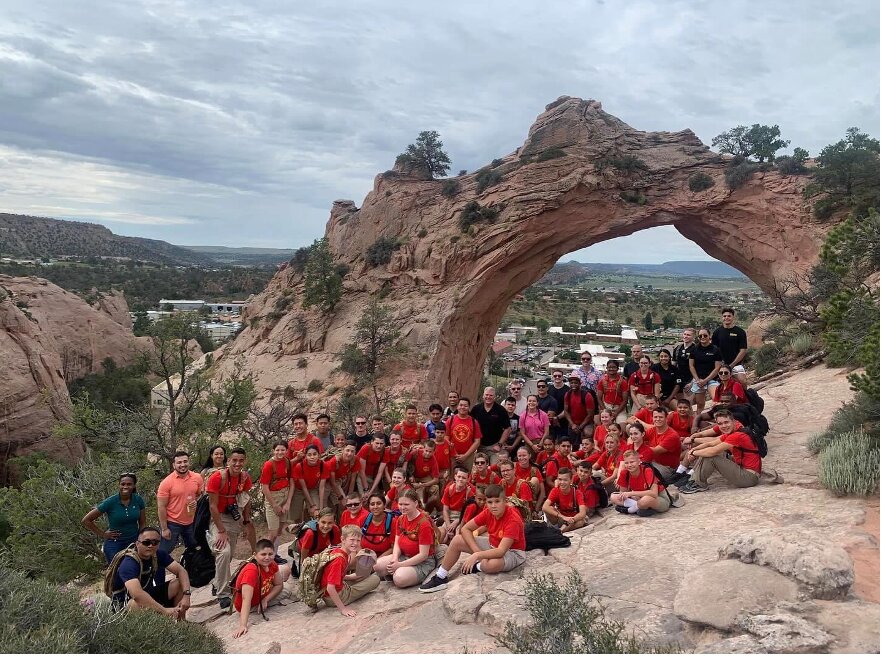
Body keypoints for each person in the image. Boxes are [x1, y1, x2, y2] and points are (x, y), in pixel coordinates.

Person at [419, 484, 526, 592]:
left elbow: (501, 551)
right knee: (457, 540)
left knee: (490, 564)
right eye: (489, 502)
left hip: (513, 552)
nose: (493, 505)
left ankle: (477, 567)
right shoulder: (488, 512)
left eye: (497, 501)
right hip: (492, 544)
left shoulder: (513, 520)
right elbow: (465, 529)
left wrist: (477, 555)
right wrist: (476, 551)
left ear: (505, 501)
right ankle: (440, 577)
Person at [206, 447, 254, 609]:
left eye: (241, 460)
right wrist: (220, 531)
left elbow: (246, 500)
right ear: (228, 461)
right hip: (218, 518)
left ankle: (217, 582)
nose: (237, 464)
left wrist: (246, 522)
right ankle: (223, 593)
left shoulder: (244, 478)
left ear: (244, 461)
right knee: (224, 552)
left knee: (230, 554)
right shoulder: (216, 478)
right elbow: (212, 506)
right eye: (234, 460)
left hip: (234, 517)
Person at [109, 526, 191, 618]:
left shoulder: (158, 554)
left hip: (147, 595)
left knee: (179, 583)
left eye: (155, 542)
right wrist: (164, 611)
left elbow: (181, 571)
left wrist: (186, 595)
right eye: (146, 542)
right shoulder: (129, 564)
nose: (150, 545)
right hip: (125, 606)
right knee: (134, 603)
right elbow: (137, 595)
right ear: (137, 544)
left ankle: (181, 623)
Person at [679, 409, 762, 494]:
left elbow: (712, 451)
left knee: (711, 457)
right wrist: (693, 449)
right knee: (711, 453)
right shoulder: (733, 431)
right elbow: (711, 443)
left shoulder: (737, 435)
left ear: (733, 421)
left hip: (749, 478)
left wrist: (693, 453)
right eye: (720, 424)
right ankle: (693, 479)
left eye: (726, 422)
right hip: (744, 469)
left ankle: (698, 483)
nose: (724, 426)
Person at [373, 489, 437, 588]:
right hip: (404, 556)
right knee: (377, 566)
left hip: (423, 562)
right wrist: (395, 559)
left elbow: (423, 555)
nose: (402, 508)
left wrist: (399, 565)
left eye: (406, 504)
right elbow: (397, 543)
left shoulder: (424, 524)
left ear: (415, 503)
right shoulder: (401, 519)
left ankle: (411, 574)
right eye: (400, 504)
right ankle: (401, 573)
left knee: (399, 579)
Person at [82, 473, 146, 563]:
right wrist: (103, 534)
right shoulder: (110, 502)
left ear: (134, 485)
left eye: (129, 484)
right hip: (115, 543)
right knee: (116, 571)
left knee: (135, 568)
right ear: (119, 485)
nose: (125, 487)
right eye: (123, 484)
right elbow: (86, 520)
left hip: (134, 541)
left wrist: (141, 538)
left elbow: (142, 523)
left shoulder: (138, 500)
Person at [321, 525, 381, 617]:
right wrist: (343, 609)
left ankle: (355, 579)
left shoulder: (337, 551)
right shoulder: (339, 560)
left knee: (362, 575)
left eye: (358, 540)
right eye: (352, 540)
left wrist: (349, 577)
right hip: (336, 596)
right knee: (375, 579)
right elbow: (330, 588)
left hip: (338, 587)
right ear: (343, 539)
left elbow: (333, 575)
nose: (355, 543)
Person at [232, 539, 286, 638]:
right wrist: (243, 625)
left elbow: (279, 584)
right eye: (263, 554)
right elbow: (246, 599)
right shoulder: (251, 571)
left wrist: (266, 599)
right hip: (252, 604)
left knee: (286, 570)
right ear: (255, 555)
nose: (267, 557)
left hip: (263, 596)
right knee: (289, 591)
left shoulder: (272, 563)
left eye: (270, 554)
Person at [157, 451, 204, 555]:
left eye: (185, 461)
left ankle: (192, 570)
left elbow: (200, 494)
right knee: (163, 553)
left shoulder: (197, 478)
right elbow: (161, 507)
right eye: (179, 462)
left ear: (189, 462)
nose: (182, 465)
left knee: (195, 550)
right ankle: (157, 571)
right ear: (174, 465)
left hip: (191, 522)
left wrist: (196, 501)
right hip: (172, 522)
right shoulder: (166, 482)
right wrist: (164, 529)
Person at [260, 442, 293, 561]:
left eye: (283, 450)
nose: (280, 453)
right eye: (277, 450)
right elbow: (264, 487)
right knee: (273, 533)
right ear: (273, 450)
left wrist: (288, 502)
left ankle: (274, 555)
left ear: (286, 450)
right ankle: (265, 555)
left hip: (285, 494)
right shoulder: (269, 465)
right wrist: (274, 505)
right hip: (273, 497)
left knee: (280, 530)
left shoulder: (287, 462)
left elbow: (291, 481)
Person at [610, 450, 670, 516]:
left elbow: (654, 493)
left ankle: (630, 510)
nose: (629, 465)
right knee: (613, 497)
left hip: (658, 498)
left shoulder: (647, 470)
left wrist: (631, 493)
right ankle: (641, 508)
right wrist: (630, 496)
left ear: (639, 462)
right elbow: (623, 493)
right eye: (626, 463)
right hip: (638, 498)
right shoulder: (624, 473)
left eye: (632, 462)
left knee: (645, 500)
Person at [689, 329, 723, 429]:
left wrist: (706, 380)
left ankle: (720, 420)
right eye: (700, 336)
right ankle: (697, 422)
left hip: (712, 379)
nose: (703, 338)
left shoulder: (715, 350)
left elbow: (717, 368)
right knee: (700, 403)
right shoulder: (694, 349)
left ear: (709, 336)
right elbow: (691, 366)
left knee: (716, 400)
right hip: (698, 379)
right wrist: (697, 379)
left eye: (705, 335)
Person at [470, 387, 511, 463]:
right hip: (479, 446)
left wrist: (499, 444)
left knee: (495, 469)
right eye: (486, 395)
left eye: (491, 395)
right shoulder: (476, 409)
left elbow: (507, 429)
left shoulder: (501, 410)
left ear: (494, 397)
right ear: (483, 396)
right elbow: (470, 426)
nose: (488, 397)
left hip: (494, 447)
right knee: (479, 470)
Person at [541, 468, 587, 532]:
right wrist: (563, 517)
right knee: (549, 508)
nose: (562, 482)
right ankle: (559, 529)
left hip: (573, 518)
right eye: (560, 479)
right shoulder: (555, 490)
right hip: (560, 518)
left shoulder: (577, 492)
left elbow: (582, 513)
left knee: (581, 522)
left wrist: (569, 521)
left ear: (571, 480)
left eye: (565, 480)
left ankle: (560, 531)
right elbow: (544, 507)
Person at [292, 445, 329, 521]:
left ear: (319, 455)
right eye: (309, 455)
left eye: (314, 454)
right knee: (295, 516)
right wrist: (312, 505)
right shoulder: (300, 466)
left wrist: (320, 507)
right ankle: (298, 530)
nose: (312, 457)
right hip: (299, 490)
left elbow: (321, 487)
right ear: (305, 456)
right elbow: (304, 488)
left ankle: (314, 529)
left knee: (317, 513)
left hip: (312, 489)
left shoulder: (323, 465)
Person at [712, 308, 749, 383]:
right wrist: (720, 364)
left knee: (743, 381)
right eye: (724, 316)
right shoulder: (717, 332)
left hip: (736, 365)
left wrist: (732, 365)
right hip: (720, 365)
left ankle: (745, 395)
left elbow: (743, 350)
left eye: (729, 316)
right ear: (722, 317)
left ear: (733, 317)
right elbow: (714, 349)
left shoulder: (740, 332)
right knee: (720, 385)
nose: (726, 318)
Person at [645, 408, 683, 481]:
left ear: (666, 418)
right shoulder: (652, 430)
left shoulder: (672, 435)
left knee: (643, 471)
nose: (658, 419)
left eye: (661, 417)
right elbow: (637, 437)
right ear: (652, 418)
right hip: (653, 462)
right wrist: (632, 440)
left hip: (667, 468)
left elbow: (655, 451)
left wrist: (636, 445)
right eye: (655, 417)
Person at [446, 397, 482, 471]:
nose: (463, 407)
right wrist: (454, 453)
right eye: (461, 405)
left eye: (465, 406)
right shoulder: (450, 420)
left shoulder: (474, 422)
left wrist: (465, 455)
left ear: (469, 408)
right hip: (452, 455)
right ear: (457, 406)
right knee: (451, 477)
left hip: (468, 456)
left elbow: (477, 441)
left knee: (466, 477)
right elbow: (446, 437)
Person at [328, 441, 366, 509]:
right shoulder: (334, 461)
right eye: (347, 450)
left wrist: (349, 496)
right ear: (343, 449)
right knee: (338, 504)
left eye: (352, 451)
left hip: (342, 480)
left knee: (346, 503)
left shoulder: (355, 460)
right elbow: (333, 482)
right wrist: (341, 497)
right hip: (330, 482)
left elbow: (353, 479)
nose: (349, 454)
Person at [440, 467, 474, 543]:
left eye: (464, 478)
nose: (460, 479)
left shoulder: (469, 493)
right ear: (455, 477)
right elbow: (445, 510)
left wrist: (457, 521)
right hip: (450, 515)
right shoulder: (449, 489)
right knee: (443, 537)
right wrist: (449, 525)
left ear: (468, 479)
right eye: (459, 477)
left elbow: (468, 512)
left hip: (461, 517)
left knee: (457, 535)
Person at [407, 440, 440, 511]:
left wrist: (422, 485)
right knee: (408, 488)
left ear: (434, 452)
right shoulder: (415, 453)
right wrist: (410, 475)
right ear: (423, 448)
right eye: (426, 450)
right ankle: (411, 507)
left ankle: (429, 507)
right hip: (413, 475)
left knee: (435, 488)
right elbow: (406, 463)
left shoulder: (433, 460)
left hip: (424, 477)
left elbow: (436, 479)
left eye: (430, 452)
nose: (427, 453)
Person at [562, 372, 596, 440]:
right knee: (571, 440)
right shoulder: (567, 394)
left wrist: (580, 427)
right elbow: (566, 411)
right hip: (573, 422)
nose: (573, 385)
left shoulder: (587, 395)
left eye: (576, 383)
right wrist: (572, 424)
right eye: (571, 383)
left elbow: (590, 414)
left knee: (588, 433)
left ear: (580, 384)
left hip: (586, 422)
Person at [596, 360, 629, 424]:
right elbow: (599, 398)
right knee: (602, 423)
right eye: (609, 367)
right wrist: (605, 410)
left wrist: (616, 412)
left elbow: (625, 400)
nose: (611, 369)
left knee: (622, 427)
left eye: (614, 367)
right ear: (606, 368)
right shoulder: (602, 381)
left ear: (617, 368)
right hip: (606, 406)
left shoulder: (623, 382)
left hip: (619, 408)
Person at [359, 433, 388, 499]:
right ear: (372, 442)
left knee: (374, 495)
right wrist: (366, 489)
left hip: (373, 476)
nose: (379, 446)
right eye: (377, 443)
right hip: (361, 475)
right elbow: (361, 471)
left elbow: (380, 473)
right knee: (364, 496)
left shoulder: (384, 451)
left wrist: (371, 490)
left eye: (381, 444)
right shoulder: (366, 448)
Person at [673, 328, 696, 401]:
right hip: (678, 381)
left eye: (688, 335)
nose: (685, 336)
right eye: (685, 334)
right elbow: (673, 365)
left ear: (693, 337)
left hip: (690, 381)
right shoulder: (678, 348)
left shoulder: (696, 349)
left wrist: (692, 382)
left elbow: (699, 368)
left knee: (688, 404)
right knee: (680, 404)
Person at [547, 369, 570, 433]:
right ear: (552, 377)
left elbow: (569, 407)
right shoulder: (548, 389)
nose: (557, 377)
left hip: (564, 419)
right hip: (549, 420)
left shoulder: (568, 390)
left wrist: (557, 417)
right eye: (555, 376)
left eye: (559, 376)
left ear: (563, 377)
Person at [433, 424, 454, 489]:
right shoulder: (430, 443)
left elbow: (452, 459)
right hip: (432, 472)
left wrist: (450, 474)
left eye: (442, 432)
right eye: (438, 432)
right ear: (434, 432)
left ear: (445, 433)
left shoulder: (448, 444)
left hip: (445, 471)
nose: (440, 434)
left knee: (445, 487)